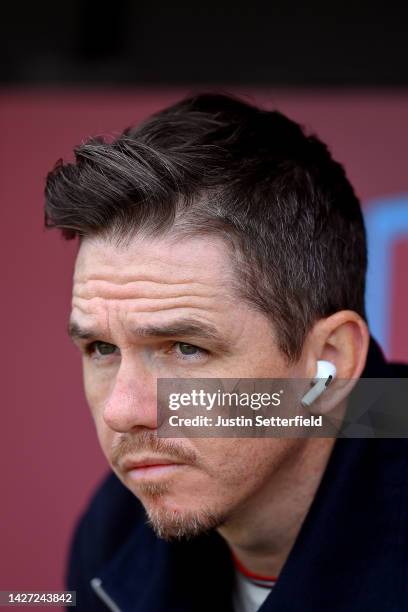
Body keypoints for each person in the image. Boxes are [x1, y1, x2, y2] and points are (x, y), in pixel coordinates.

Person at [44, 93, 408, 611]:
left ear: (329, 364)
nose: (122, 412)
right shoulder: (118, 531)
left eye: (185, 348)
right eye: (101, 347)